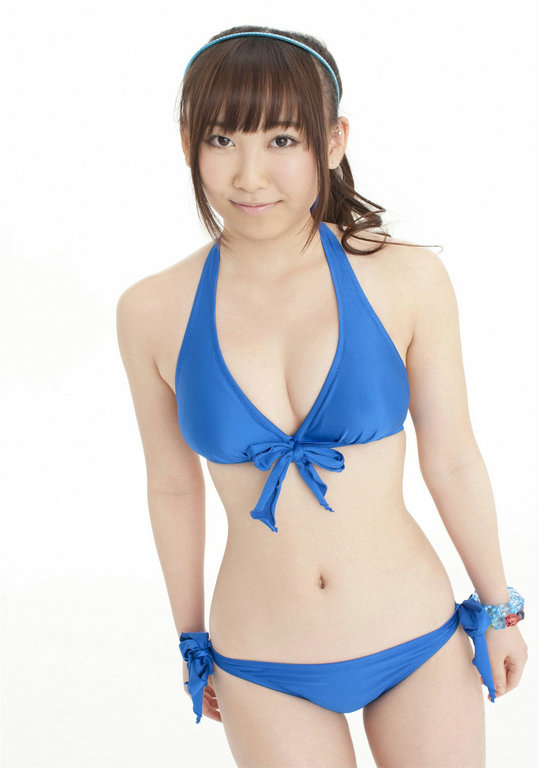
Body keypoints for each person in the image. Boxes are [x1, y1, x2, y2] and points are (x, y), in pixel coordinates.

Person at [116, 24, 528, 768]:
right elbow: (172, 487)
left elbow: (453, 457)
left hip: (416, 640)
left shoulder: (405, 278)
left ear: (332, 141)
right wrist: (189, 637)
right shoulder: (151, 310)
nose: (249, 175)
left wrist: (498, 606)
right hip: (260, 660)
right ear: (187, 144)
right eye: (221, 138)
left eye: (281, 139)